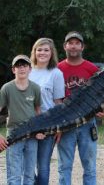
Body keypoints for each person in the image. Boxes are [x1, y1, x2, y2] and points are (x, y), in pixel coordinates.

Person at [57, 31, 104, 185]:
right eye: (70, 43)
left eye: (77, 43)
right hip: (66, 124)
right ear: (65, 46)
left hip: (88, 123)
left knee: (90, 167)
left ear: (82, 47)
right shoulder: (57, 69)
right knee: (64, 166)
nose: (73, 46)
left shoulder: (92, 69)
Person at [0, 55, 45, 184]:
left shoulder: (35, 88)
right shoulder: (6, 88)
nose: (22, 68)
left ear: (30, 69)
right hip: (14, 134)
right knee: (14, 174)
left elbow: (38, 111)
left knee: (30, 174)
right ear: (13, 70)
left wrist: (40, 130)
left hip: (31, 135)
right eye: (18, 66)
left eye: (24, 66)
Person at [29, 38, 65, 185]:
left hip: (47, 124)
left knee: (43, 166)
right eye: (39, 49)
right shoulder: (26, 70)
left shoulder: (56, 73)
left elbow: (58, 103)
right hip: (27, 123)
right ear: (34, 52)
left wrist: (59, 127)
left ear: (51, 53)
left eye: (46, 50)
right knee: (27, 166)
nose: (42, 53)